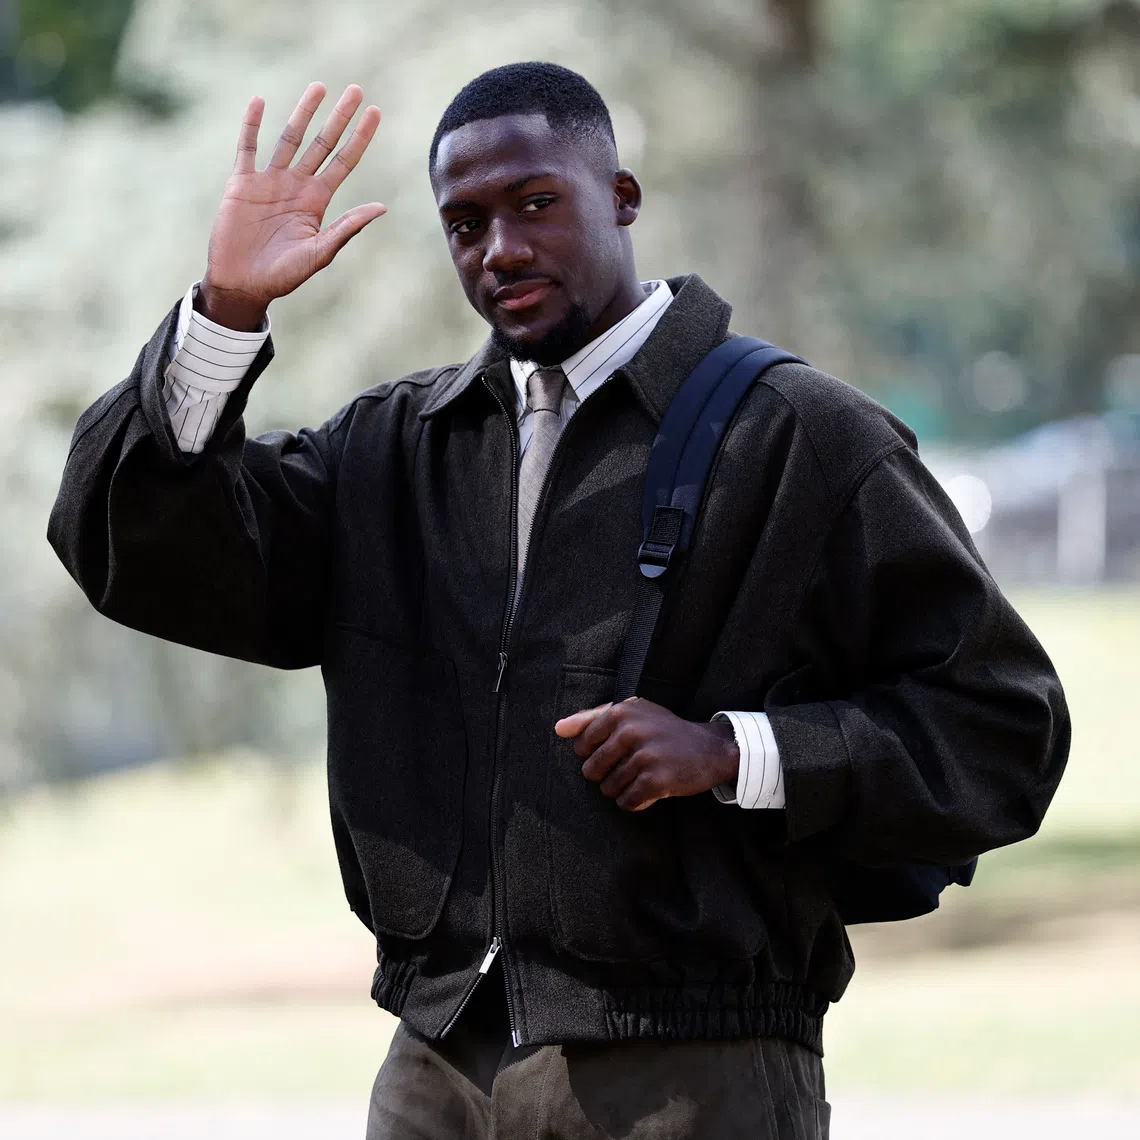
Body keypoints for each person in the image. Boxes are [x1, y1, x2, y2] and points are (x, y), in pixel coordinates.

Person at [48, 62, 1069, 1139]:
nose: (502, 249)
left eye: (536, 203)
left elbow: (1002, 729)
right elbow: (138, 547)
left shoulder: (806, 439)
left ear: (621, 198)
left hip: (695, 1071)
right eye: (465, 223)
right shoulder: (397, 451)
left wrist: (736, 752)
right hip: (434, 1065)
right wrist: (227, 312)